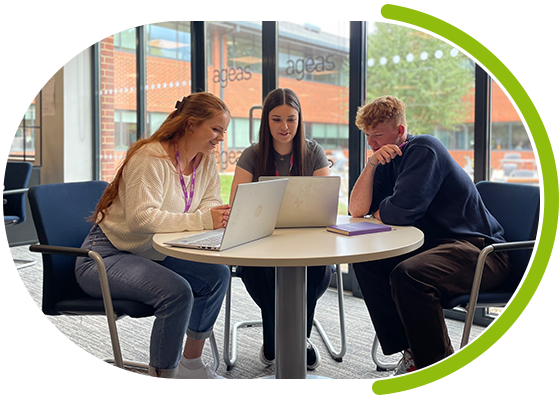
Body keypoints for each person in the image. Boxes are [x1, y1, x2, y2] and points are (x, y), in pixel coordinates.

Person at [348, 95, 510, 376]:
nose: (372, 143)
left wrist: (383, 211)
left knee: (409, 275)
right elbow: (357, 209)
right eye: (367, 137)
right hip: (437, 249)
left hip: (481, 252)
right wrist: (371, 165)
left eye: (377, 135)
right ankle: (413, 353)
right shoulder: (385, 160)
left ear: (399, 132)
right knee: (368, 261)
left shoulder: (425, 148)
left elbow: (400, 212)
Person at [75, 92, 232, 380]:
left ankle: (191, 367)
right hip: (104, 256)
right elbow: (141, 218)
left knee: (217, 275)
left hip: (152, 251)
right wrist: (201, 220)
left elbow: (209, 200)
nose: (220, 138)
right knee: (177, 292)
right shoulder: (150, 157)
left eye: (224, 131)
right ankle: (163, 381)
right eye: (216, 129)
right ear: (191, 125)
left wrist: (213, 214)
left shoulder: (205, 161)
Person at [229, 88, 332, 370]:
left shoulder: (313, 153)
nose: (284, 127)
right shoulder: (253, 154)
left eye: (291, 119)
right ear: (266, 121)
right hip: (261, 243)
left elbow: (325, 204)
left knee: (319, 268)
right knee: (259, 269)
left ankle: (293, 339)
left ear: (300, 120)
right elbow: (236, 206)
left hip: (306, 243)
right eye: (276, 120)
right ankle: (289, 339)